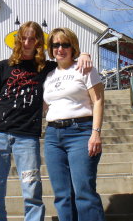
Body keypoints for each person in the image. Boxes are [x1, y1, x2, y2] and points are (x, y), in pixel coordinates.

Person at [0, 21, 92, 221]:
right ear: (17, 40)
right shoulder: (2, 67)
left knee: (32, 191)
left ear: (39, 41)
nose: (27, 42)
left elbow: (67, 60)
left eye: (32, 38)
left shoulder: (46, 68)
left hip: (27, 138)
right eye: (23, 38)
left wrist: (84, 54)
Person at [43, 27, 105, 221]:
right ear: (51, 48)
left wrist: (95, 133)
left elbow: (98, 101)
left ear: (73, 46)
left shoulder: (84, 68)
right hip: (53, 135)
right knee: (62, 195)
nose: (60, 49)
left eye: (65, 44)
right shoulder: (48, 74)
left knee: (84, 191)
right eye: (56, 45)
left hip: (80, 132)